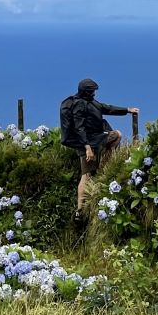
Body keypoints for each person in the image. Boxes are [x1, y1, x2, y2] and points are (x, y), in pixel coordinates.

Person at [59, 77, 139, 225]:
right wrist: (87, 147)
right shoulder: (79, 105)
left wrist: (127, 110)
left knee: (116, 135)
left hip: (96, 139)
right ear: (86, 92)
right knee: (86, 175)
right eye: (92, 91)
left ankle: (103, 168)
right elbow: (79, 127)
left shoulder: (92, 103)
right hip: (86, 144)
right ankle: (80, 210)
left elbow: (107, 108)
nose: (94, 94)